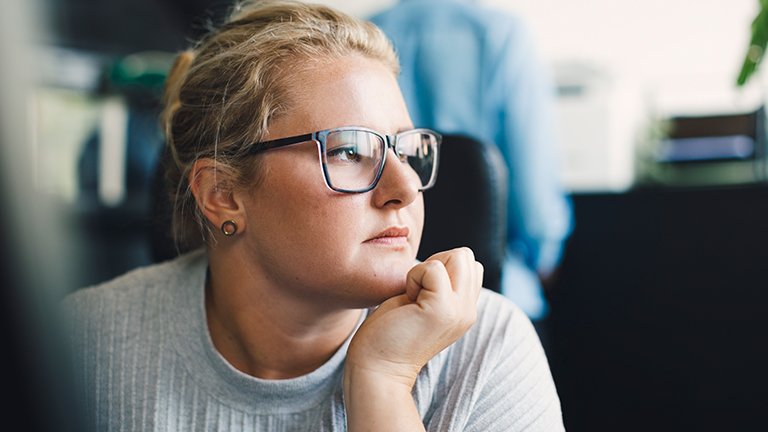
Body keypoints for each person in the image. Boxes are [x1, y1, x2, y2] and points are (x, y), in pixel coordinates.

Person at [61, 1, 565, 430]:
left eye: (407, 151)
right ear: (222, 194)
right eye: (348, 151)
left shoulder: (487, 351)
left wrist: (383, 383)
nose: (406, 187)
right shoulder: (82, 348)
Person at [371, 0, 573, 321]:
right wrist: (544, 254)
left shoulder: (364, 35)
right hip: (491, 291)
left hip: (387, 291)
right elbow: (533, 184)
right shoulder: (502, 34)